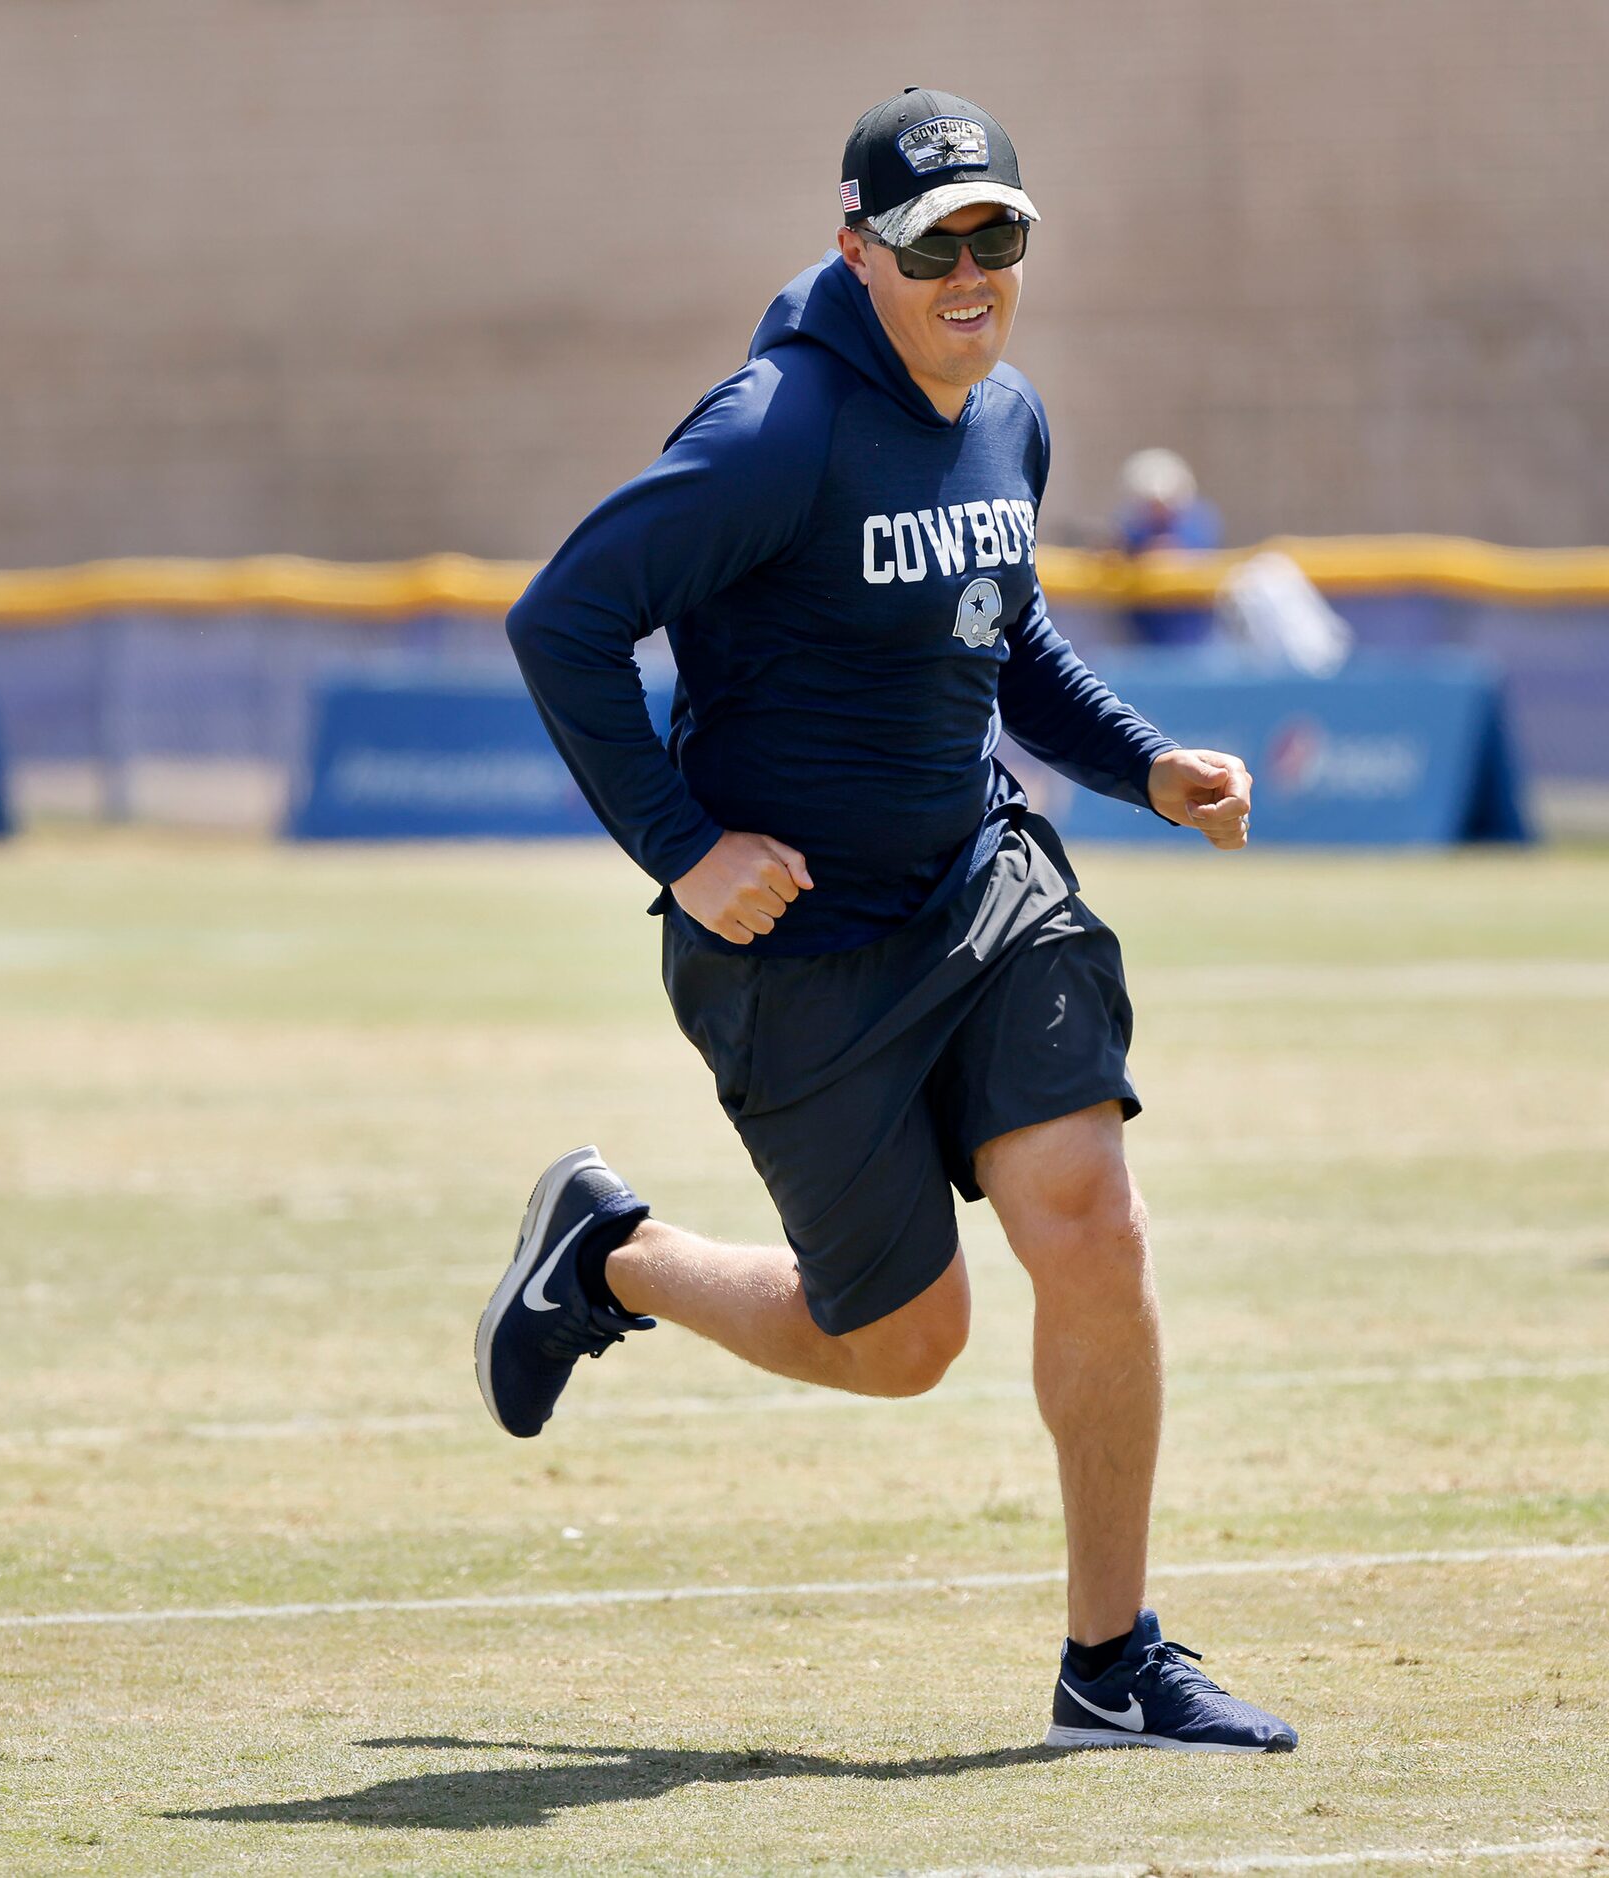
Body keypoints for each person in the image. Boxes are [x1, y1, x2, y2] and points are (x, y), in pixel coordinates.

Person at [481, 87, 1293, 1755]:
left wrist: (1145, 768)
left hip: (980, 889)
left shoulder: (1010, 416)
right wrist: (682, 843)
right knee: (901, 1344)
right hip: (793, 957)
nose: (972, 271)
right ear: (859, 251)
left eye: (1000, 234)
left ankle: (1108, 1659)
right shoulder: (774, 429)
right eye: (935, 244)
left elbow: (1001, 637)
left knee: (1091, 1213)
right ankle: (611, 1253)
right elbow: (560, 621)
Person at [1116, 447, 1220, 647]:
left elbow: (1178, 553)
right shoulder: (1133, 529)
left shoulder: (1196, 523)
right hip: (1145, 643)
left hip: (1196, 641)